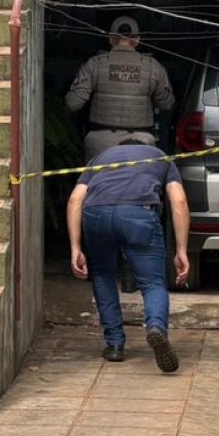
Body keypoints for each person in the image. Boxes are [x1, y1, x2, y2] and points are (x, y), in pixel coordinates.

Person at [67, 135, 190, 371]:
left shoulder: (100, 158)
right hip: (138, 215)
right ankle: (155, 327)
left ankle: (114, 345)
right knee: (153, 282)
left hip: (96, 214)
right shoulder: (160, 156)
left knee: (103, 275)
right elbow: (180, 201)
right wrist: (181, 250)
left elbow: (75, 201)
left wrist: (75, 248)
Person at [65, 16, 175, 161]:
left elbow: (73, 103)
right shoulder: (153, 67)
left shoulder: (94, 64)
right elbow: (167, 103)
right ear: (137, 40)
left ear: (111, 39)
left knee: (99, 182)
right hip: (141, 144)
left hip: (100, 143)